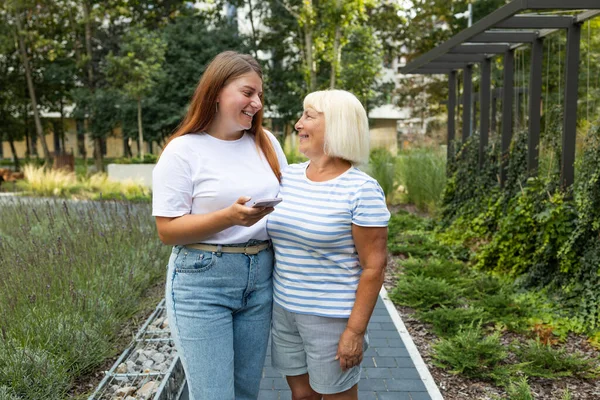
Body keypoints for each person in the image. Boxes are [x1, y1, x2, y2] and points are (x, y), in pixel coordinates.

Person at [152, 51, 287, 400]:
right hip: (202, 281)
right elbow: (167, 231)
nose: (256, 102)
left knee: (245, 392)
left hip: (260, 277)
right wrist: (228, 217)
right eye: (247, 92)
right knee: (214, 394)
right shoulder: (183, 151)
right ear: (216, 92)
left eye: (259, 94)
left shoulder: (267, 143)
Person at [267, 90, 390, 399]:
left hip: (332, 320)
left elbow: (374, 268)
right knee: (302, 396)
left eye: (309, 116)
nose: (297, 124)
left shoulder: (362, 190)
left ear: (337, 125)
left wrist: (354, 332)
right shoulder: (286, 178)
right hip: (284, 311)